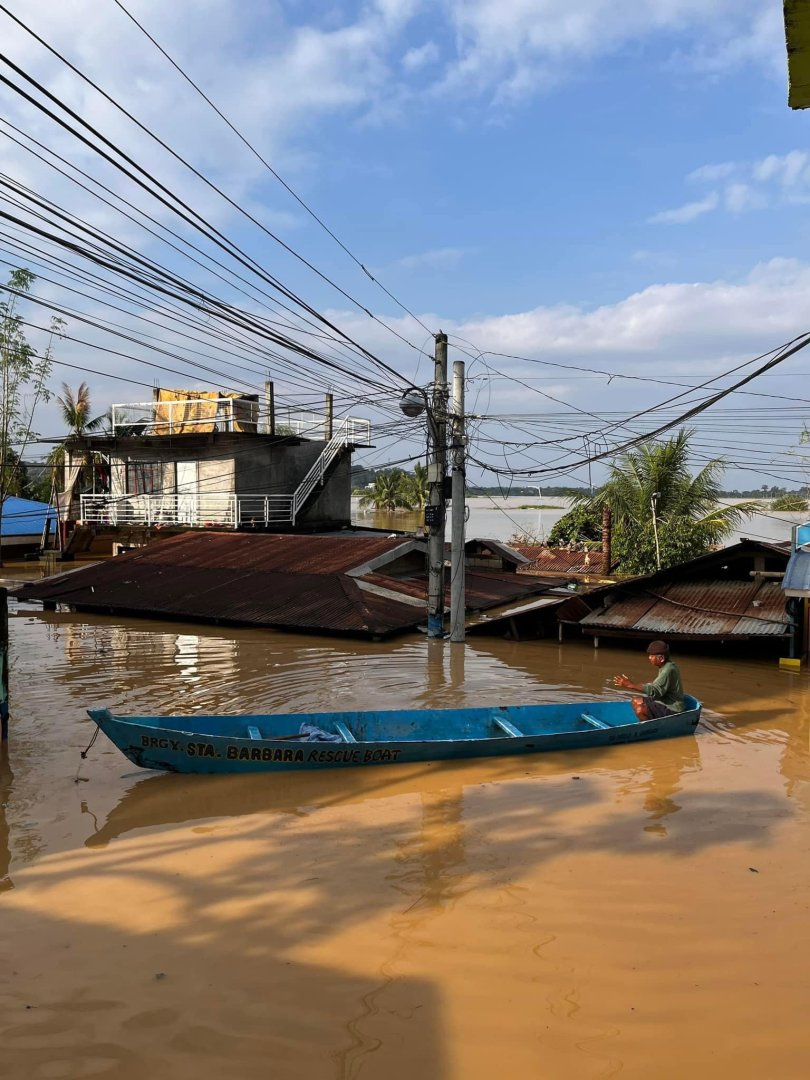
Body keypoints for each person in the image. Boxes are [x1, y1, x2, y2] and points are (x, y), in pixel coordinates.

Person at [613, 640, 686, 721]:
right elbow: (657, 685)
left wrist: (630, 685)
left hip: (673, 707)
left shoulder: (668, 670)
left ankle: (650, 727)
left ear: (661, 658)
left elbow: (655, 691)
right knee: (635, 701)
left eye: (652, 656)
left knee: (640, 710)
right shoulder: (667, 665)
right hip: (663, 699)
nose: (649, 658)